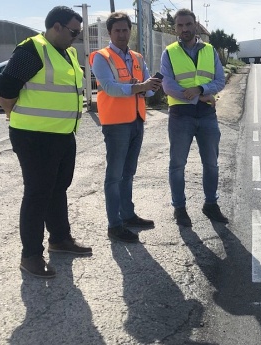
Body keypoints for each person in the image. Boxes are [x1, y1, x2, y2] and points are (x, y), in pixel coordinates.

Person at [0, 6, 92, 279]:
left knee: (58, 188)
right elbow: (5, 91)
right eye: (73, 31)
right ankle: (30, 256)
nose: (76, 37)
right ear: (57, 27)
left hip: (63, 134)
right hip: (34, 137)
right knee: (37, 194)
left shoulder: (68, 53)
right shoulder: (32, 50)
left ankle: (60, 239)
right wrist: (12, 115)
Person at [90, 12, 162, 243]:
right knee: (114, 175)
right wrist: (139, 86)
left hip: (137, 120)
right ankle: (115, 224)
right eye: (117, 30)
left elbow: (148, 90)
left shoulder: (138, 57)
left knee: (128, 173)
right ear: (110, 33)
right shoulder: (102, 57)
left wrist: (152, 87)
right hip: (116, 123)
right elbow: (110, 88)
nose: (122, 34)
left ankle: (128, 215)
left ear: (130, 31)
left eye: (125, 30)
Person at [160, 8, 229, 227]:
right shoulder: (169, 52)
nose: (184, 29)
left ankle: (210, 204)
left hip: (207, 116)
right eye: (180, 26)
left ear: (195, 24)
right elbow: (168, 85)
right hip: (181, 115)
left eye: (188, 24)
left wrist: (201, 88)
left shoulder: (209, 50)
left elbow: (220, 80)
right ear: (175, 28)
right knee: (177, 165)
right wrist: (198, 98)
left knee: (211, 164)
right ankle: (179, 208)